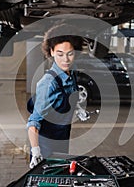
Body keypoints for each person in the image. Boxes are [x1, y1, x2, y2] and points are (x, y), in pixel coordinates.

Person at [27, 23, 84, 168]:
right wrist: (36, 151)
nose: (65, 59)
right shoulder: (48, 83)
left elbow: (67, 99)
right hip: (45, 145)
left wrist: (77, 109)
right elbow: (33, 122)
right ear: (51, 52)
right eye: (60, 54)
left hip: (62, 139)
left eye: (70, 54)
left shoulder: (71, 73)